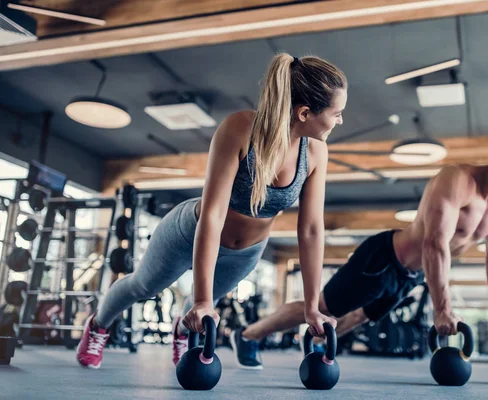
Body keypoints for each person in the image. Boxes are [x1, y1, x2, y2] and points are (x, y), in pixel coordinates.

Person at [76, 53, 348, 369]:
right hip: (189, 231)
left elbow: (311, 229)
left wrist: (311, 307)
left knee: (203, 307)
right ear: (304, 112)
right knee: (143, 287)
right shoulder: (240, 128)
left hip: (245, 253)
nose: (340, 120)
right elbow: (213, 214)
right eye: (337, 113)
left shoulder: (315, 152)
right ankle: (98, 325)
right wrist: (202, 299)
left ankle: (182, 329)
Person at [233, 127, 488, 368]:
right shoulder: (458, 179)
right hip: (385, 258)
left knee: (361, 316)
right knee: (320, 309)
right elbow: (435, 243)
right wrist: (443, 308)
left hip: (411, 275)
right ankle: (249, 335)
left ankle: (317, 341)